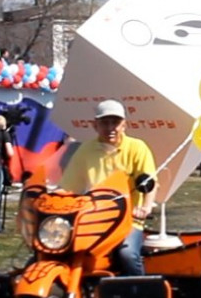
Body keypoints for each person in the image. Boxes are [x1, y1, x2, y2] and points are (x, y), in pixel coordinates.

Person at [59, 99, 157, 275]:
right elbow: (69, 185)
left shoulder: (137, 148)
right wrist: (54, 196)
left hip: (128, 220)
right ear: (95, 125)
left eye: (115, 122)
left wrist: (145, 207)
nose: (110, 127)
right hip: (91, 219)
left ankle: (139, 296)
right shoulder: (85, 150)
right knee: (58, 248)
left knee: (127, 254)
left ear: (124, 125)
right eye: (104, 122)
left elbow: (150, 181)